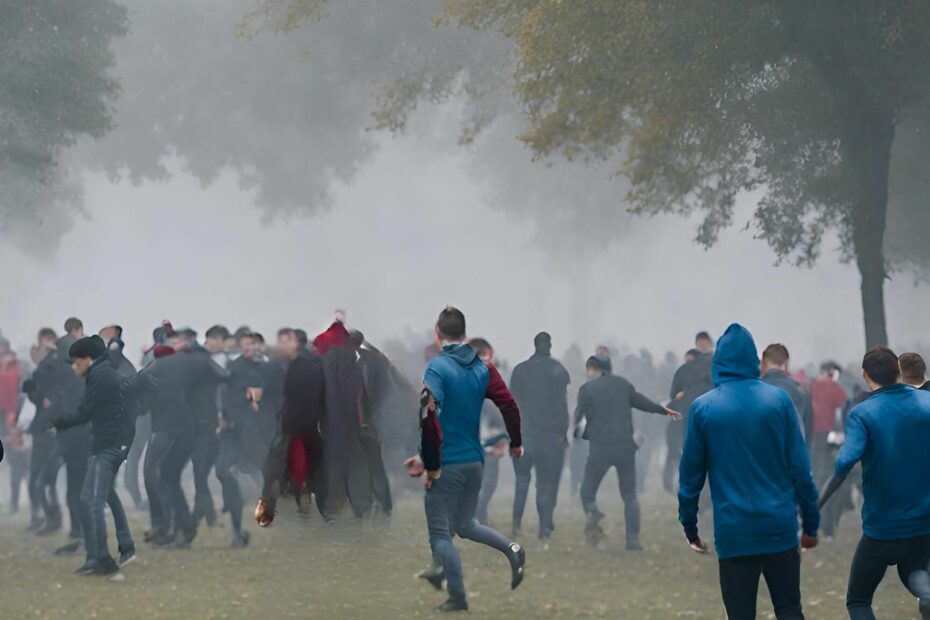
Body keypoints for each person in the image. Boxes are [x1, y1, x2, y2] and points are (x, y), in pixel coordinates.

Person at [678, 323, 819, 620]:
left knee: (740, 613)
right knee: (790, 608)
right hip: (779, 527)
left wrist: (689, 525)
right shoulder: (779, 401)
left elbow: (691, 476)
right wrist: (810, 524)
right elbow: (800, 468)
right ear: (754, 362)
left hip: (734, 531)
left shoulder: (703, 409)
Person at [405, 306, 526, 612]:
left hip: (448, 463)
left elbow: (427, 416)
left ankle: (457, 596)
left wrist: (430, 465)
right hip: (474, 462)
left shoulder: (437, 369)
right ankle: (512, 548)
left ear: (437, 334)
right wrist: (516, 443)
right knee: (466, 524)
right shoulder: (484, 369)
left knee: (440, 533)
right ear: (465, 335)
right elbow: (510, 406)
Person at [819, 347, 930, 620]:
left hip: (882, 525)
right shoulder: (926, 403)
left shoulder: (862, 413)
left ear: (866, 376)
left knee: (858, 599)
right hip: (922, 521)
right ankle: (927, 595)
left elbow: (844, 464)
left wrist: (817, 504)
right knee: (915, 571)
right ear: (897, 372)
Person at [574, 356, 680, 550]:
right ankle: (632, 540)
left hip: (600, 449)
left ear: (594, 369)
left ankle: (593, 512)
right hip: (625, 448)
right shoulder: (623, 385)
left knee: (587, 491)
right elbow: (642, 403)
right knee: (630, 496)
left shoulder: (587, 390)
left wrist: (577, 432)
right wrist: (664, 410)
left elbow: (578, 418)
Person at [51, 336, 136, 576]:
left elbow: (85, 411)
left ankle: (101, 560)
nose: (74, 367)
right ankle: (113, 551)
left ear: (87, 359)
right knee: (96, 497)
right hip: (108, 445)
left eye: (76, 362)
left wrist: (56, 422)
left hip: (108, 446)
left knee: (93, 502)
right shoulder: (104, 373)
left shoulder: (100, 376)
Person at [256, 327, 328, 526]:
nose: (282, 345)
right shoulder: (283, 364)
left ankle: (298, 499)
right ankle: (302, 498)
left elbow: (307, 397)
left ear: (296, 342)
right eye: (281, 341)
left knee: (287, 465)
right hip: (294, 422)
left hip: (296, 424)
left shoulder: (304, 365)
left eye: (286, 340)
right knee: (297, 465)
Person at [508, 332, 570, 541]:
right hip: (549, 438)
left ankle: (516, 524)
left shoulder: (520, 370)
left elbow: (512, 404)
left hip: (525, 434)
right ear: (549, 346)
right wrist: (562, 433)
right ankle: (544, 528)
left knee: (522, 481)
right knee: (545, 483)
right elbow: (562, 406)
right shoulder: (557, 371)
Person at [215, 332, 265, 547]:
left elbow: (255, 399)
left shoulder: (249, 371)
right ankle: (238, 528)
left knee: (236, 469)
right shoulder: (226, 370)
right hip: (228, 430)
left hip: (241, 430)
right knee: (226, 471)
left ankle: (240, 527)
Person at [21, 328, 62, 533]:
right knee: (37, 478)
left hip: (49, 427)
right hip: (42, 427)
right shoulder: (43, 367)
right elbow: (39, 397)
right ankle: (43, 516)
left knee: (44, 479)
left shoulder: (54, 365)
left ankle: (51, 518)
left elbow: (49, 397)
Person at [664, 339, 714, 494]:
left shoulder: (683, 371)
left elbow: (673, 395)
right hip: (709, 418)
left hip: (686, 419)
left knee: (689, 454)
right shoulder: (714, 370)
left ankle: (688, 488)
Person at [469, 338, 508, 527]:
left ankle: (479, 515)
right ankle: (477, 517)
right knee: (479, 484)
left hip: (490, 442)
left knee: (489, 485)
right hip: (474, 442)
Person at [811, 361, 850, 539]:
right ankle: (829, 527)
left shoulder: (810, 387)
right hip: (833, 439)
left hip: (815, 439)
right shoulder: (836, 388)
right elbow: (843, 413)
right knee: (833, 480)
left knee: (817, 480)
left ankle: (815, 523)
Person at [761, 343, 813, 441]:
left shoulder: (755, 389)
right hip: (790, 450)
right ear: (785, 363)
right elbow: (806, 427)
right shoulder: (799, 390)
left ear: (764, 362)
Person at [0, 337, 27, 514]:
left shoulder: (16, 366)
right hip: (6, 419)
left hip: (13, 419)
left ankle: (17, 503)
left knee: (18, 464)